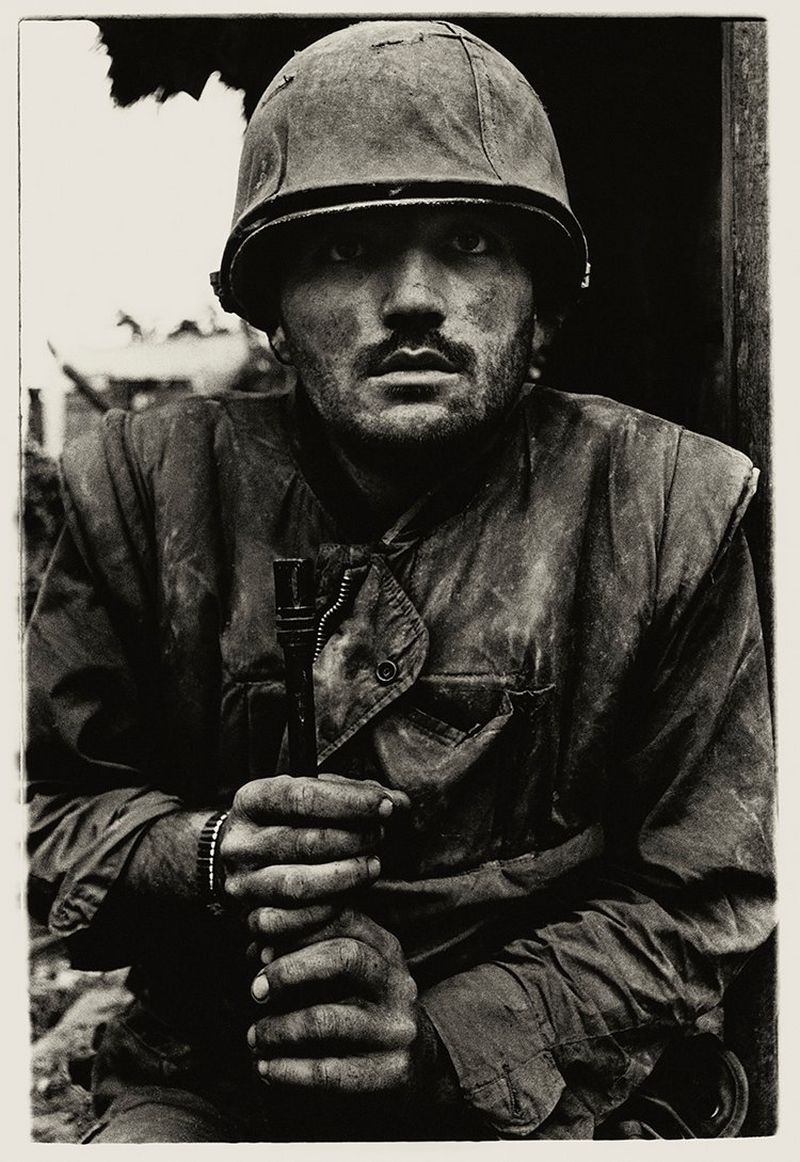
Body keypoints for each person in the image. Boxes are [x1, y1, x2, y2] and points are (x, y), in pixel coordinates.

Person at [26, 19, 774, 1142]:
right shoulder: (135, 492)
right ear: (270, 305)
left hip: (564, 1077)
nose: (413, 296)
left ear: (543, 308)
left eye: (469, 244)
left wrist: (444, 1037)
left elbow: (705, 890)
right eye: (343, 250)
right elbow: (54, 820)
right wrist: (209, 853)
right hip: (217, 1068)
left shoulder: (671, 507)